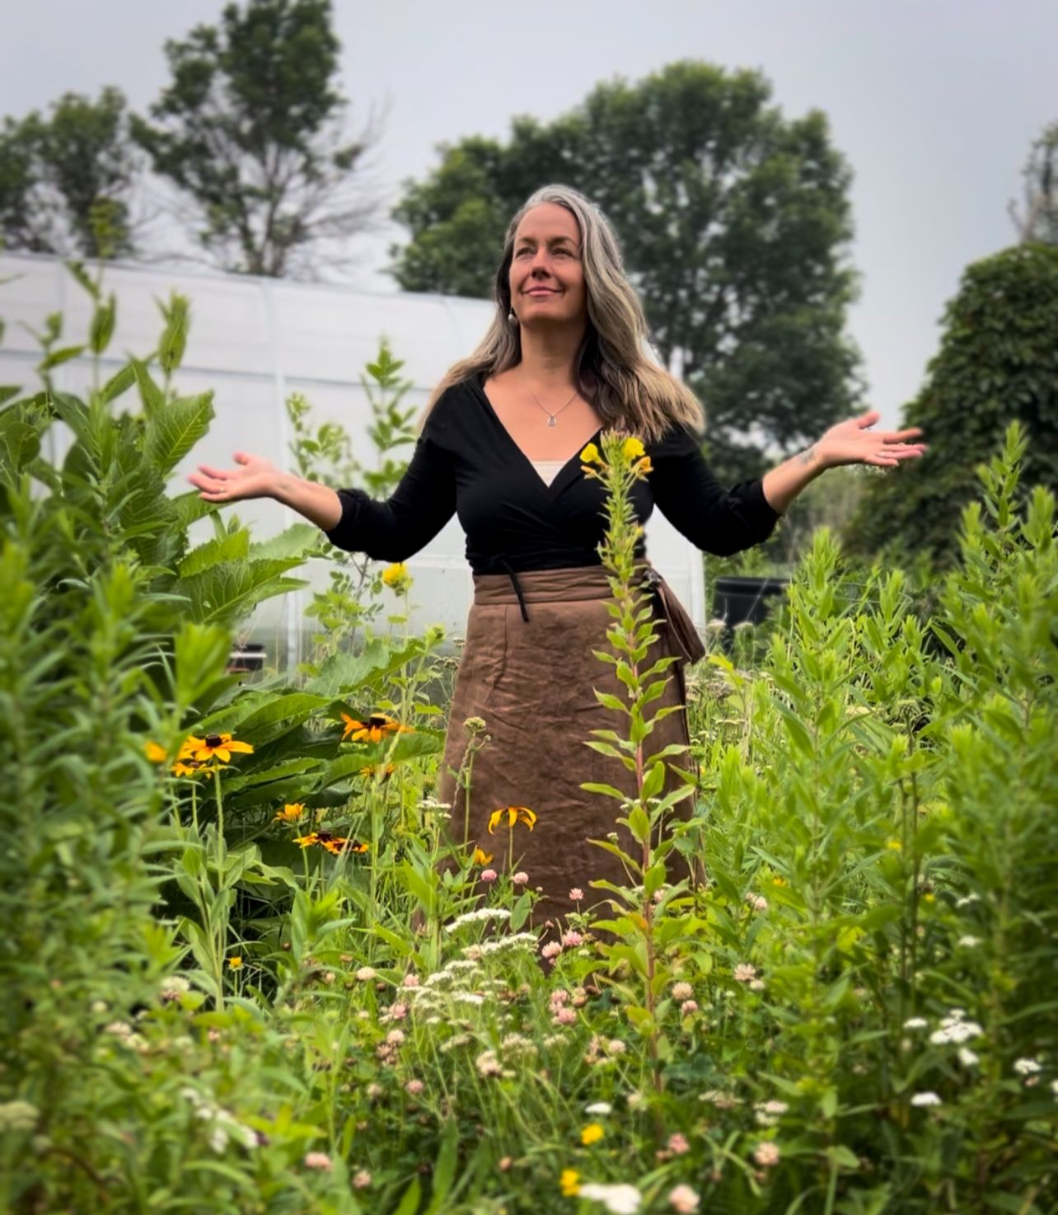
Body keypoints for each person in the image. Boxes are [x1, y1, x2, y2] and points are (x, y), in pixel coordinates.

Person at [186, 183, 927, 942]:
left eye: (560, 250)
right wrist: (285, 486)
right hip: (504, 676)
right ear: (507, 279)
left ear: (592, 275)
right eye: (525, 251)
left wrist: (814, 458)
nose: (538, 264)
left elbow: (721, 523)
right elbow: (395, 530)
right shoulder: (463, 406)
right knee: (487, 861)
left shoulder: (643, 404)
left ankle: (635, 1000)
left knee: (629, 863)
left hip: (622, 677)